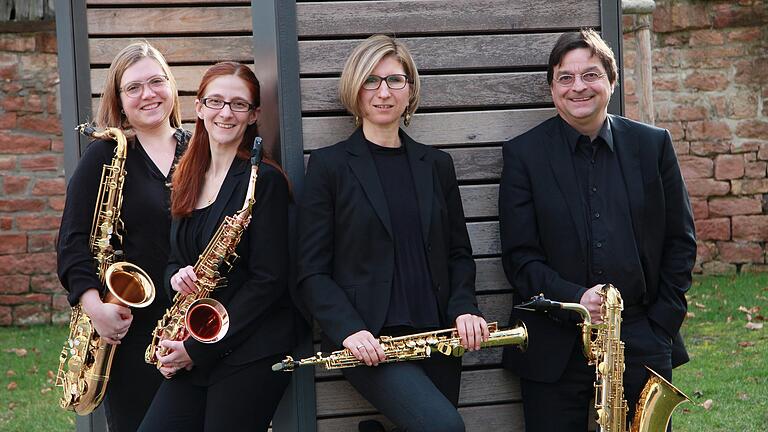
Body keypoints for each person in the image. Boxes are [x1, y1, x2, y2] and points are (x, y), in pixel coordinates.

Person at [499, 29, 696, 431]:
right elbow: (520, 258)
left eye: (590, 75)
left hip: (641, 334)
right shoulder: (524, 155)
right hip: (554, 338)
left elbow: (681, 240)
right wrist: (575, 299)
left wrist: (661, 324)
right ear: (552, 87)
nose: (578, 87)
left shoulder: (653, 145)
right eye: (565, 77)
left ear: (611, 80)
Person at [297, 34, 489, 432]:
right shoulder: (330, 166)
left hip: (438, 334)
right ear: (356, 88)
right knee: (444, 427)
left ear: (410, 89)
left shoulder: (436, 164)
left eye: (395, 80)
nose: (383, 92)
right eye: (371, 80)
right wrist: (349, 330)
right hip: (370, 342)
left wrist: (465, 307)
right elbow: (310, 271)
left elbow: (458, 253)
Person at [137, 61, 296, 432]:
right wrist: (175, 277)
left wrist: (196, 350)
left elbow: (269, 281)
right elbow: (175, 257)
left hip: (251, 349)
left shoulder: (264, 182)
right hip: (196, 340)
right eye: (216, 101)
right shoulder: (187, 176)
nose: (226, 113)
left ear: (254, 114)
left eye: (239, 104)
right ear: (199, 107)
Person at [56, 41, 189, 432]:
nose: (147, 94)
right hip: (128, 329)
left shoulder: (199, 149)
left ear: (171, 86)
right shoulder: (105, 155)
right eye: (133, 87)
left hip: (189, 326)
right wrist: (95, 308)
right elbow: (72, 240)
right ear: (118, 98)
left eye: (156, 81)